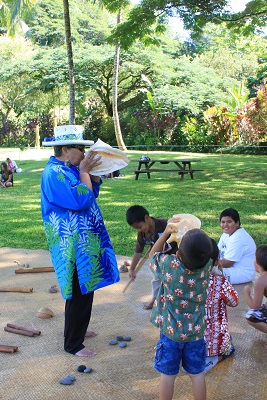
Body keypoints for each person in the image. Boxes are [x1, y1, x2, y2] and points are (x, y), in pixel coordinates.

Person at [40, 130, 119, 358]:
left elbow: (92, 192)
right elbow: (82, 200)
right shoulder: (53, 173)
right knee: (77, 292)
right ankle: (73, 344)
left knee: (86, 288)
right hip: (71, 246)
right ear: (65, 150)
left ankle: (79, 331)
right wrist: (84, 170)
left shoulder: (70, 169)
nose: (84, 153)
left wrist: (91, 173)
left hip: (84, 243)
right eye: (80, 149)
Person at [149, 225, 214, 400]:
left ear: (178, 254)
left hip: (170, 333)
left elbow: (152, 257)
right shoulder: (207, 267)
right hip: (195, 334)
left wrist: (165, 235)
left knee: (168, 375)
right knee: (197, 373)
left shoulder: (169, 266)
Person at [126, 205, 178, 310]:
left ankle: (174, 302)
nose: (139, 230)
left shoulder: (165, 225)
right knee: (156, 279)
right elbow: (138, 251)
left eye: (139, 226)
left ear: (146, 218)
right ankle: (155, 299)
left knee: (175, 281)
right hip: (160, 261)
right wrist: (132, 269)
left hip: (175, 258)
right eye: (136, 229)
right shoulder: (143, 234)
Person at [203, 239, 238, 374]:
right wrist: (221, 274)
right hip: (214, 343)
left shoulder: (185, 280)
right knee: (230, 345)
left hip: (188, 342)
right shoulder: (220, 282)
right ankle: (214, 359)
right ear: (217, 261)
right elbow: (234, 302)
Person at [217, 208, 256, 285]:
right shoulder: (226, 234)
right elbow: (217, 251)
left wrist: (206, 264)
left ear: (237, 223)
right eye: (223, 222)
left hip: (242, 273)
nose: (225, 225)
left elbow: (227, 263)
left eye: (229, 222)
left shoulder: (239, 237)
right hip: (229, 269)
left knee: (207, 274)